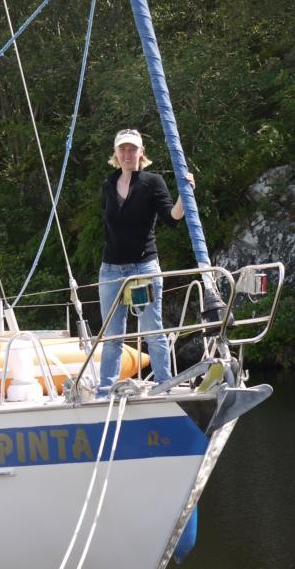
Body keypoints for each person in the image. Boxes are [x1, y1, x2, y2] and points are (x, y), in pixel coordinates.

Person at [97, 128, 195, 395]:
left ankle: (164, 385)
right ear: (116, 153)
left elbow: (172, 217)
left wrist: (184, 195)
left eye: (133, 149)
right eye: (123, 149)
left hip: (143, 267)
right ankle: (105, 390)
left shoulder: (152, 182)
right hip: (111, 269)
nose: (127, 154)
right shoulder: (108, 184)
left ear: (142, 153)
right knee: (112, 336)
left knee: (152, 330)